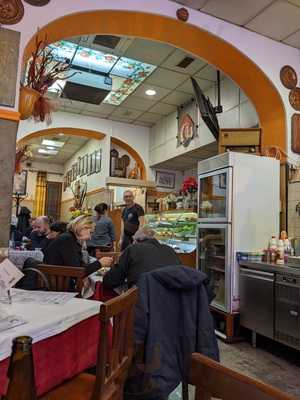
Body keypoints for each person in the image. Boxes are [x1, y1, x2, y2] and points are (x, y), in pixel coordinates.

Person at [103, 226, 181, 289]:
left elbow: (110, 281)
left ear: (136, 241)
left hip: (145, 302)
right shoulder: (170, 250)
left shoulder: (133, 249)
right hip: (175, 300)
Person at [43, 215, 110, 274]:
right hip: (57, 284)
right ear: (84, 227)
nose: (90, 237)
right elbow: (77, 271)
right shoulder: (67, 239)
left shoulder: (70, 238)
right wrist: (99, 263)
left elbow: (79, 265)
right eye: (90, 232)